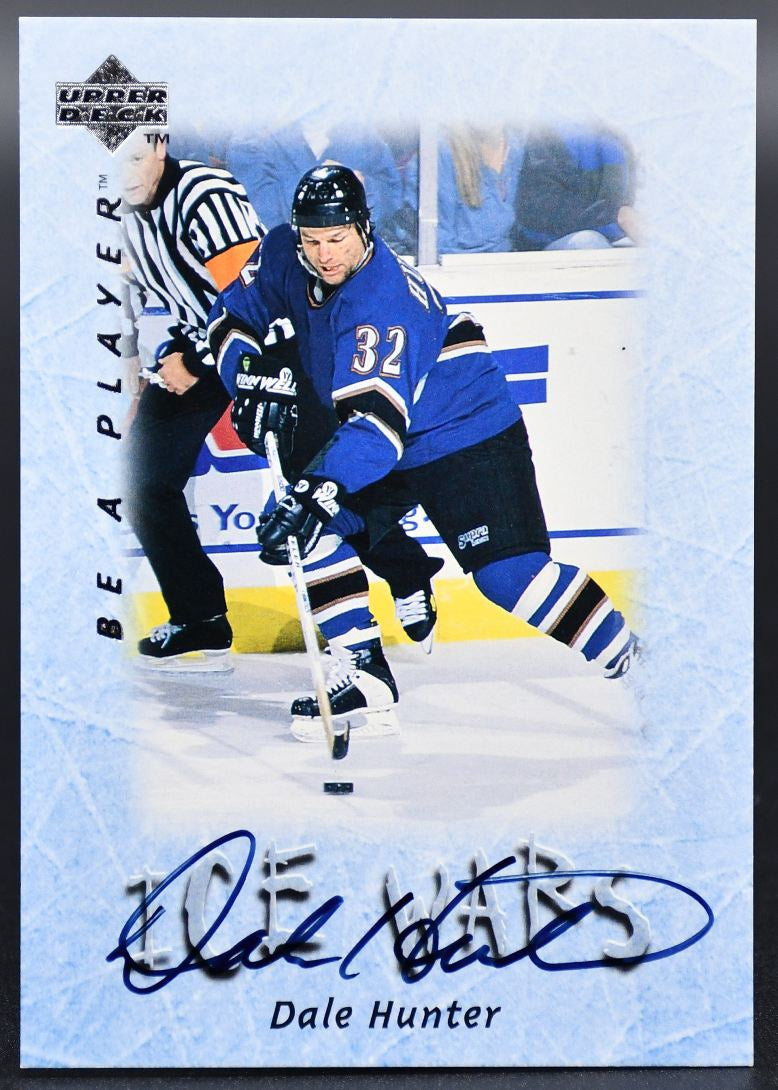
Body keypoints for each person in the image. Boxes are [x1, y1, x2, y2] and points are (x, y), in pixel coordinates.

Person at [206, 165, 641, 738]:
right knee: (303, 530)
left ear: (363, 227)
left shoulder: (379, 301)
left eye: (337, 238)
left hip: (463, 429)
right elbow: (230, 317)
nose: (325, 254)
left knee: (510, 578)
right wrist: (248, 373)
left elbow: (375, 432)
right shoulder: (284, 251)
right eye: (313, 240)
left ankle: (640, 665)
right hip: (386, 435)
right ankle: (365, 677)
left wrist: (315, 491)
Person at [121, 134, 440, 670]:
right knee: (140, 479)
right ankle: (200, 617)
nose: (123, 174)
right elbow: (127, 287)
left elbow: (246, 303)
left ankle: (407, 574)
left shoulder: (203, 196)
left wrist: (194, 361)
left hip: (272, 356)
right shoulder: (115, 210)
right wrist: (145, 354)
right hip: (207, 351)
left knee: (317, 489)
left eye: (133, 158)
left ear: (159, 146)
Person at [514, 125, 639, 250]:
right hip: (548, 243)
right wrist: (617, 217)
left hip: (618, 235)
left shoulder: (624, 133)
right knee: (588, 243)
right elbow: (542, 211)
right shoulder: (545, 134)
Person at [438, 124, 525, 254]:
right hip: (459, 262)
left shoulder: (517, 145)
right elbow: (438, 244)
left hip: (510, 258)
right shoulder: (441, 151)